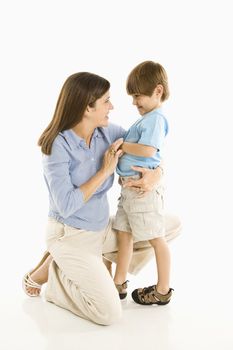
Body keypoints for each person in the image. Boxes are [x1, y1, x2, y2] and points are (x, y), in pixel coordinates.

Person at [22, 71, 181, 326]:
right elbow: (67, 204)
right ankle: (55, 274)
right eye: (106, 101)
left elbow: (149, 150)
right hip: (71, 234)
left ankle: (87, 268)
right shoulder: (57, 147)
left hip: (101, 229)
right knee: (108, 313)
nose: (113, 106)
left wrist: (156, 175)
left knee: (170, 225)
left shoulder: (107, 133)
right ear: (88, 107)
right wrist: (105, 172)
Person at [113, 61, 173, 305]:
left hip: (141, 189)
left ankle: (162, 289)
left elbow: (148, 151)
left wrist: (121, 145)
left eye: (138, 95)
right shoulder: (147, 119)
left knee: (156, 237)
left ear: (157, 91)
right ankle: (118, 283)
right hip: (129, 188)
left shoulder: (155, 119)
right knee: (124, 234)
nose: (134, 101)